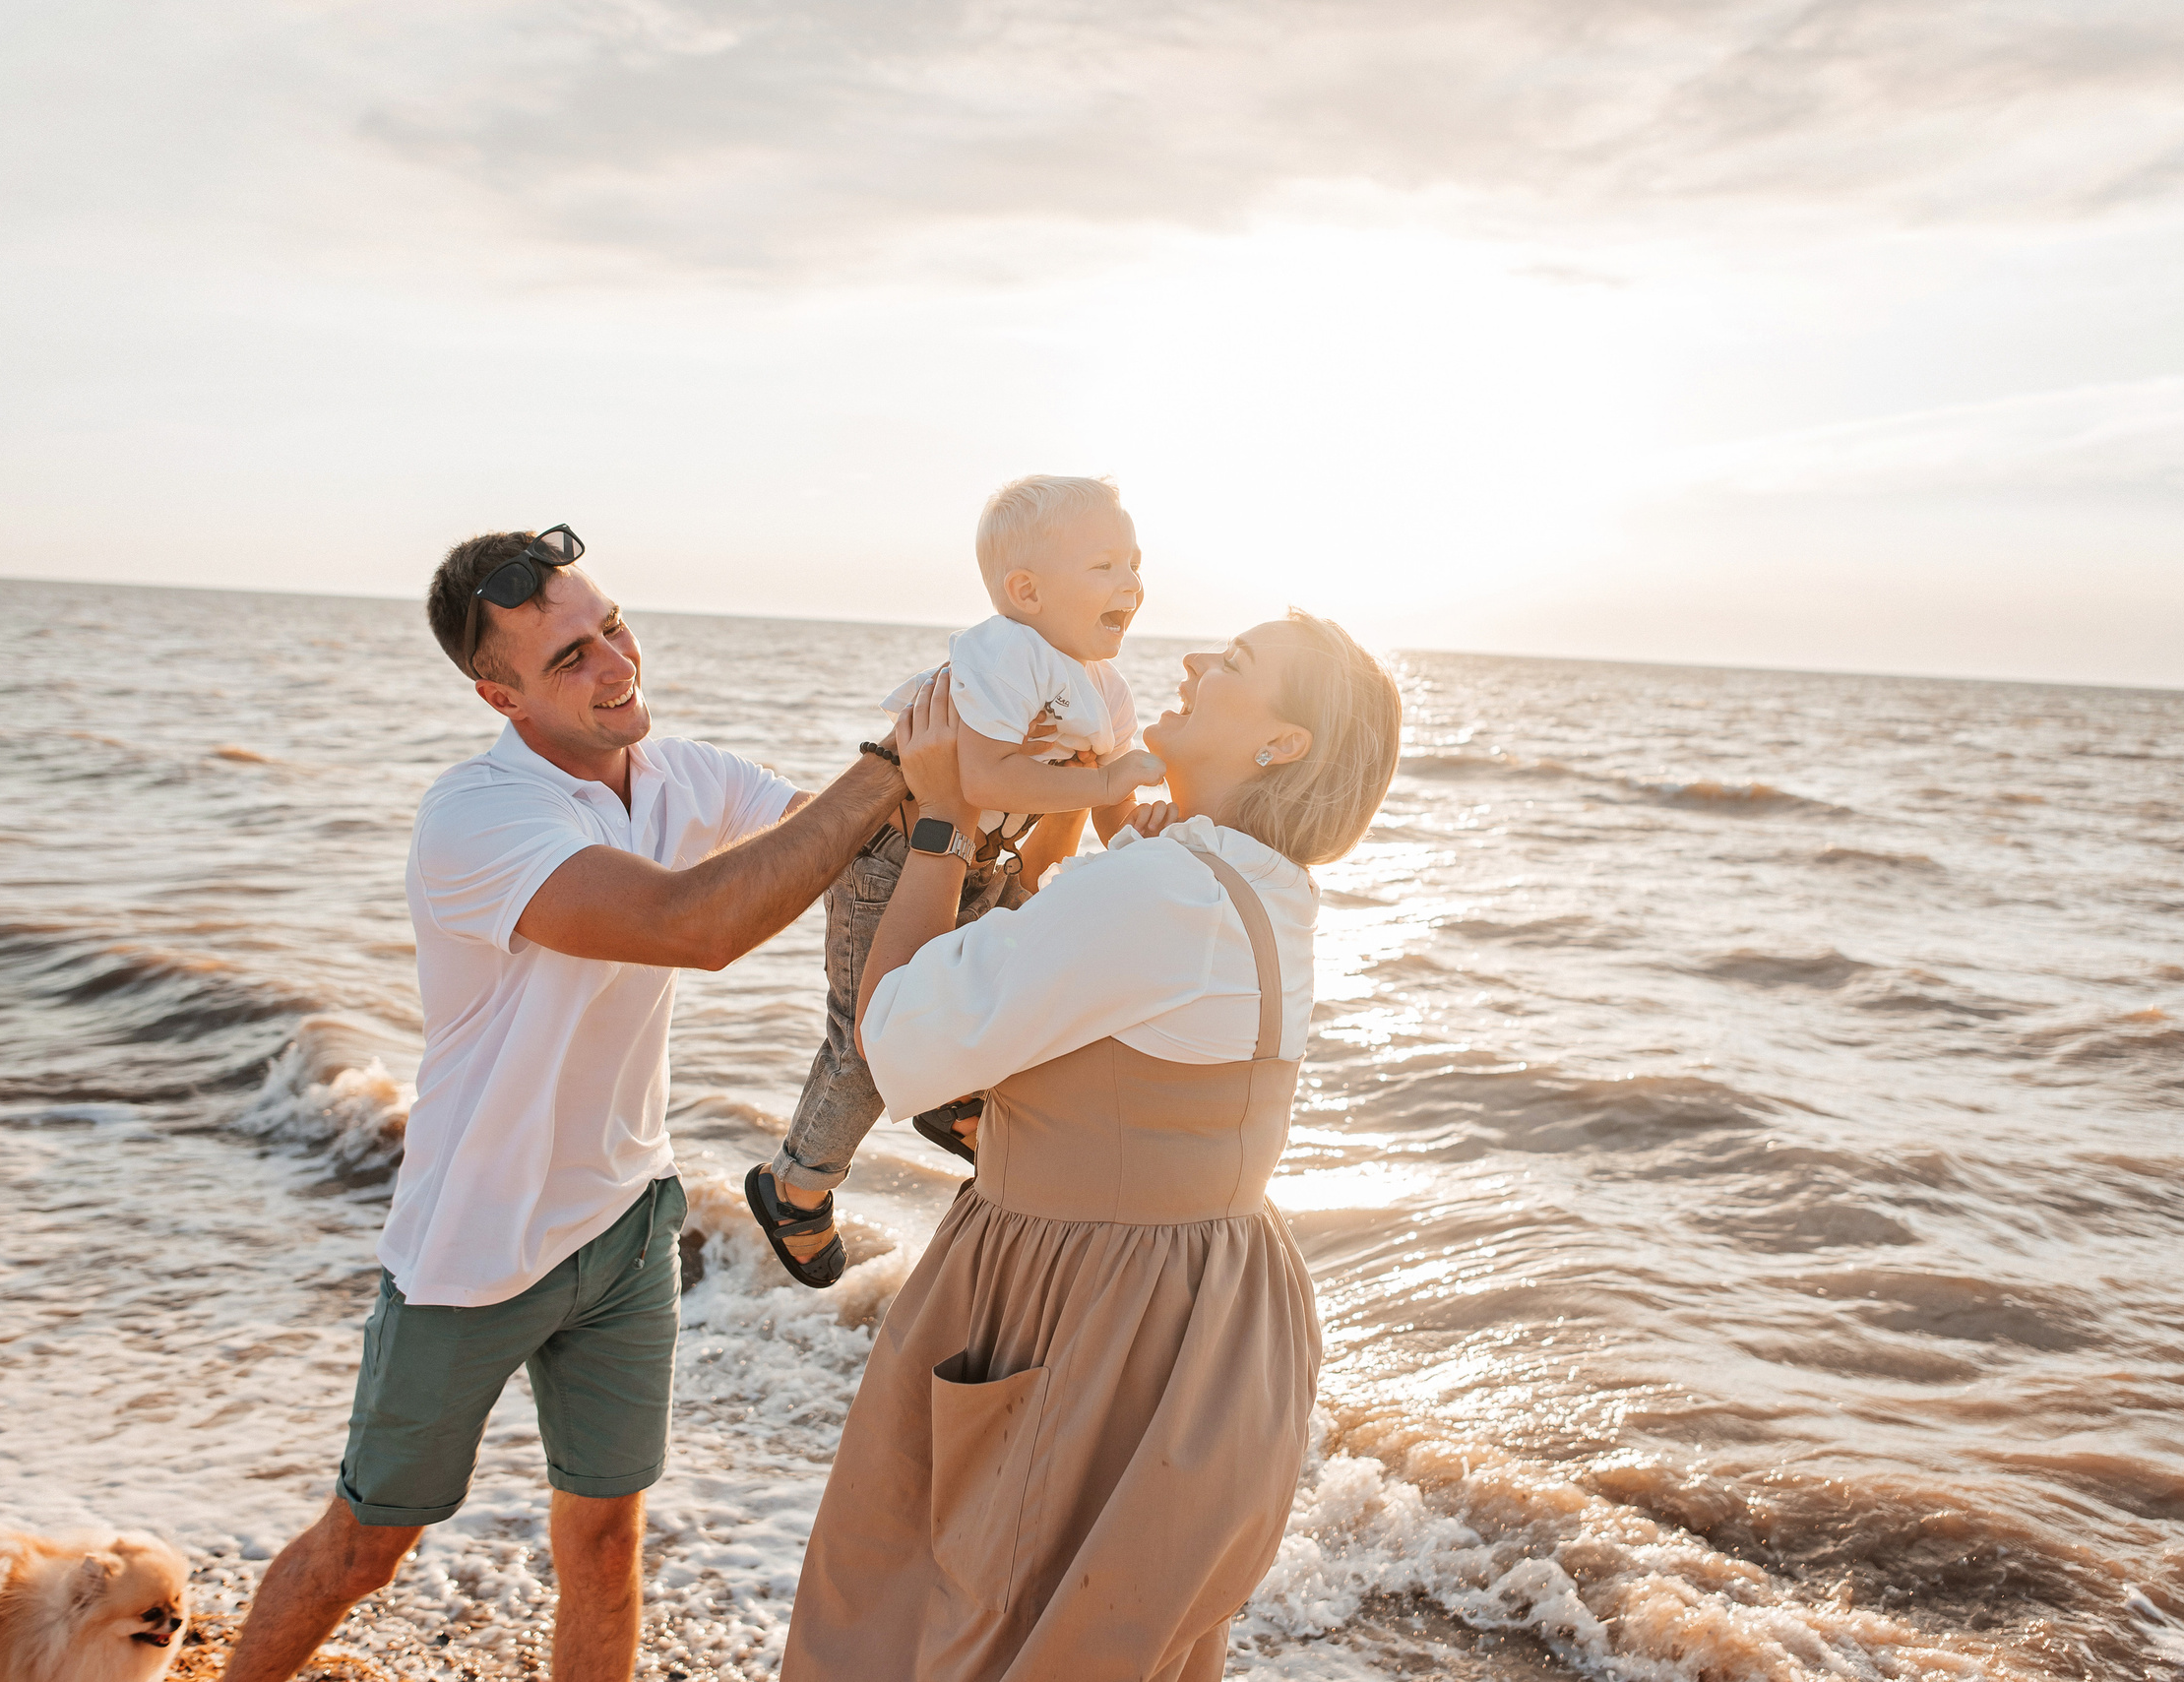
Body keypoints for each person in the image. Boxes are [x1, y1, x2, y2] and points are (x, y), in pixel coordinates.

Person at [218, 527, 913, 1682]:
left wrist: (984, 771)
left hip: (630, 1224)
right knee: (364, 1547)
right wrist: (888, 763)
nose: (612, 664)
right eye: (568, 659)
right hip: (473, 1250)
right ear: (501, 697)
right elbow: (699, 924)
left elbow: (848, 851)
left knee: (604, 1536)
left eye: (612, 628)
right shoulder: (478, 817)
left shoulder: (686, 776)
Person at [781, 610, 1405, 1682]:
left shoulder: (1159, 890)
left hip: (1075, 1299)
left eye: (1236, 665)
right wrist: (1114, 810)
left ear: (1280, 743)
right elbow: (1143, 952)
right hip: (1213, 1313)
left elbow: (896, 1040)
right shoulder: (1262, 883)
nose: (1197, 659)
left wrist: (942, 821)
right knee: (1105, 1641)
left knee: (941, 1621)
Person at [743, 475, 1164, 1288]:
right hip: (898, 856)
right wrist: (1105, 785)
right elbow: (984, 777)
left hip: (980, 865)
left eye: (1137, 565)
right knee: (869, 1035)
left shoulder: (1104, 685)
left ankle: (953, 1098)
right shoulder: (1005, 652)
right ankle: (796, 1183)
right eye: (1106, 565)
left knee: (1018, 973)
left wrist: (1149, 828)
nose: (1131, 585)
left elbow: (1112, 801)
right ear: (1026, 590)